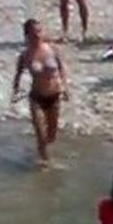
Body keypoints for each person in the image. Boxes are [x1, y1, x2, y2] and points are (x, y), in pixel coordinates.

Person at [11, 18, 69, 168]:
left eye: (39, 31)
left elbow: (61, 68)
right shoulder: (25, 55)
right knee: (41, 135)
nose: (37, 35)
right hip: (36, 97)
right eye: (34, 32)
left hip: (54, 95)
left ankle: (42, 152)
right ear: (27, 35)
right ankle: (45, 163)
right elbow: (18, 74)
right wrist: (15, 91)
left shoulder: (52, 49)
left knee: (52, 134)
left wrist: (65, 87)